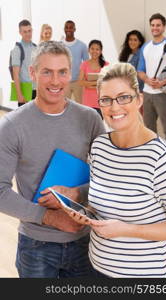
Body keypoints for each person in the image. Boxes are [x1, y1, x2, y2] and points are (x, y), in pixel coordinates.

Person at [54, 62, 166, 278]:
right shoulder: (99, 147)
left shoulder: (160, 158)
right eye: (106, 100)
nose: (115, 107)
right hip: (96, 269)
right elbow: (107, 202)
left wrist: (127, 229)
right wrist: (85, 214)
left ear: (139, 99)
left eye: (123, 97)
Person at [0, 41, 105, 278]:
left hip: (85, 242)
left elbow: (108, 178)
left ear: (71, 73)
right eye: (47, 72)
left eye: (62, 72)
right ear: (33, 72)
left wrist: (76, 193)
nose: (56, 81)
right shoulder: (12, 126)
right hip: (36, 247)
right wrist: (49, 217)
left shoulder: (90, 119)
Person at [138, 13, 166, 152]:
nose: (155, 28)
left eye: (158, 25)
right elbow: (140, 70)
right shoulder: (145, 47)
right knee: (148, 130)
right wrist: (147, 80)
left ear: (164, 27)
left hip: (162, 94)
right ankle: (151, 159)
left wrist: (162, 83)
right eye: (152, 25)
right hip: (147, 93)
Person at [78, 39, 108, 116]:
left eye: (97, 49)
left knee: (99, 125)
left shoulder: (106, 65)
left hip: (101, 101)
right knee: (88, 125)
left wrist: (89, 84)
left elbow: (108, 82)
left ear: (101, 51)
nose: (94, 51)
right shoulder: (84, 64)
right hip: (88, 101)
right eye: (92, 49)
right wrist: (96, 83)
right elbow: (80, 82)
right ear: (88, 50)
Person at [11, 19, 37, 107]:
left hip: (37, 90)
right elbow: (16, 74)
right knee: (26, 120)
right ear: (20, 32)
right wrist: (19, 94)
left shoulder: (35, 47)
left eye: (29, 31)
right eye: (25, 31)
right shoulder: (17, 49)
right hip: (25, 90)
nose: (28, 34)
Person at [62, 20, 89, 104]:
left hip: (78, 82)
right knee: (64, 106)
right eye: (66, 27)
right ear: (64, 29)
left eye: (71, 27)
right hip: (64, 81)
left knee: (81, 106)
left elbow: (86, 64)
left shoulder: (82, 46)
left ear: (74, 29)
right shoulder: (59, 45)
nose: (68, 29)